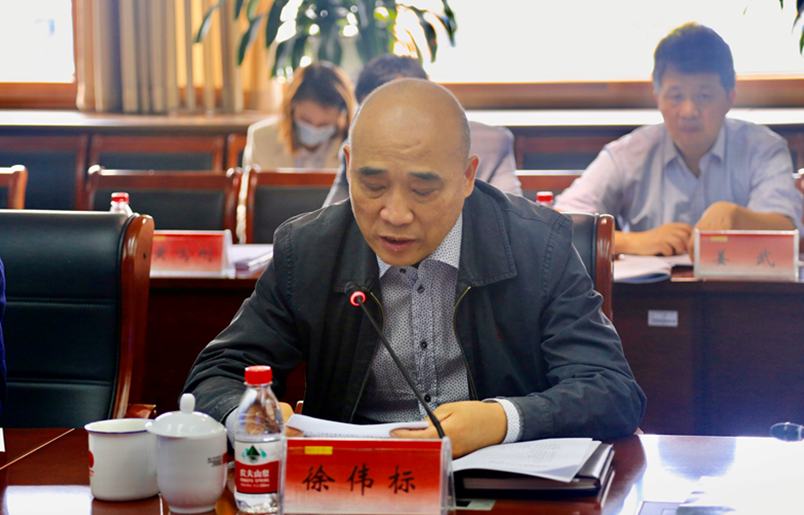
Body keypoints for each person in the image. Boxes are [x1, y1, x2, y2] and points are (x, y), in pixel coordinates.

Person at [184, 79, 645, 459]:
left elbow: (611, 389)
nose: (395, 214)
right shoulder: (307, 250)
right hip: (354, 486)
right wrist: (254, 415)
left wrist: (500, 420)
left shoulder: (537, 245)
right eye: (373, 184)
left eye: (423, 190)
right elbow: (216, 375)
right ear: (348, 166)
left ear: (468, 176)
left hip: (493, 481)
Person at [553, 23, 803, 256]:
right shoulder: (627, 155)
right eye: (675, 96)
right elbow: (561, 223)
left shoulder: (764, 150)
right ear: (658, 98)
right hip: (650, 289)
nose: (688, 111)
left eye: (704, 96)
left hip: (740, 288)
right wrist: (634, 242)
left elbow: (788, 230)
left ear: (729, 99)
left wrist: (737, 217)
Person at [322, 54, 522, 206]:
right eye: (372, 114)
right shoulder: (358, 149)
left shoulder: (491, 145)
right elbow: (331, 224)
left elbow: (510, 217)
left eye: (398, 112)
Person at [243, 61, 356, 170]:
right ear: (292, 106)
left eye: (324, 124)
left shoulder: (353, 148)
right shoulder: (261, 138)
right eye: (305, 120)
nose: (314, 129)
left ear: (341, 116)